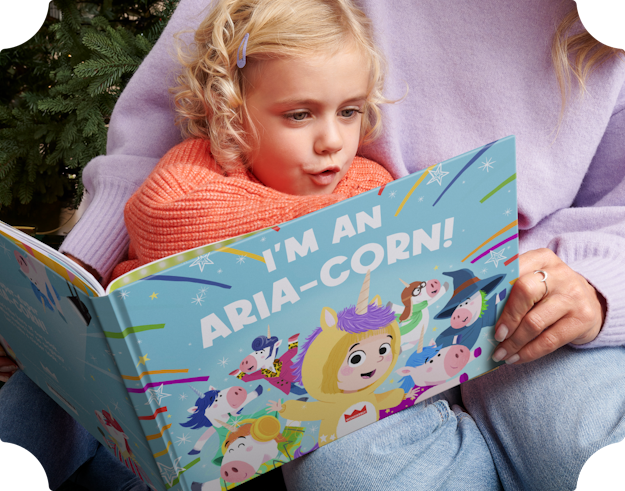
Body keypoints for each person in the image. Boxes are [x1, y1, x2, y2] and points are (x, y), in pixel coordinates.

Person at [1, 0, 624, 490]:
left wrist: (598, 286)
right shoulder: (195, 174)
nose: (332, 141)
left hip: (453, 327)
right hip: (186, 375)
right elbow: (164, 215)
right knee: (47, 391)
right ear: (229, 113)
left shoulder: (367, 185)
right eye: (301, 116)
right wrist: (52, 294)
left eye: (352, 113)